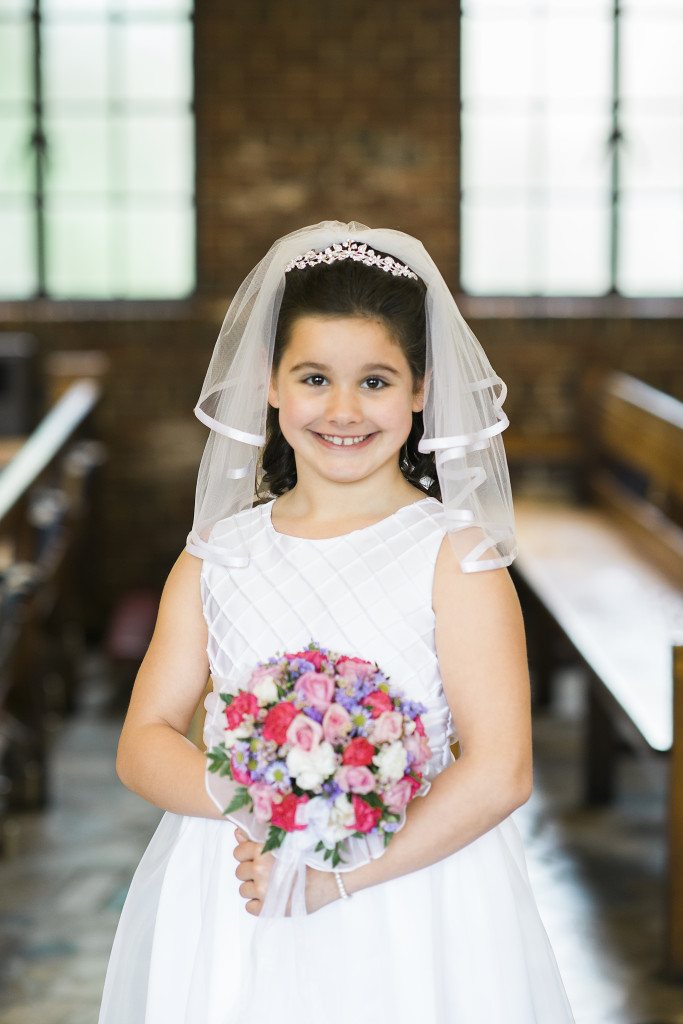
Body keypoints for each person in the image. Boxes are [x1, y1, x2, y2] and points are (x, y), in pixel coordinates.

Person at [98, 222, 574, 1023]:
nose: (343, 410)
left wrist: (335, 873)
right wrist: (265, 805)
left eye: (377, 382)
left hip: (409, 887)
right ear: (270, 383)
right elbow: (143, 737)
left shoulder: (455, 558)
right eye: (314, 377)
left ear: (422, 389)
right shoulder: (218, 555)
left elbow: (500, 771)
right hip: (235, 885)